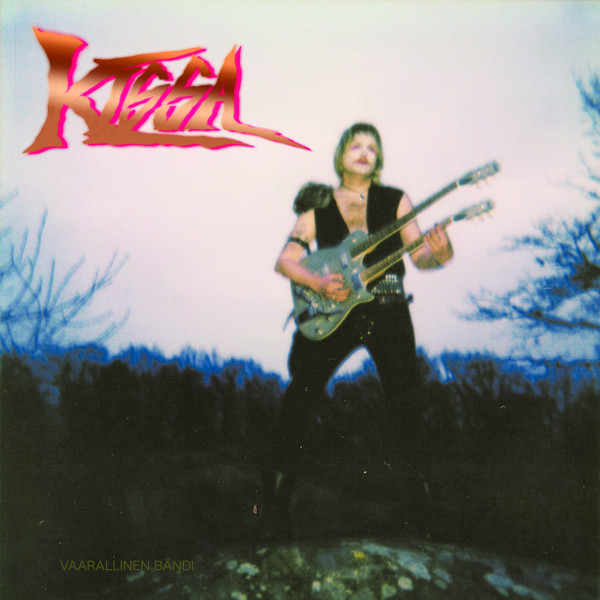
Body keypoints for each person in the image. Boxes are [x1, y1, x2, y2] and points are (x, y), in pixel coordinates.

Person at [262, 122, 454, 539]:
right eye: (356, 145)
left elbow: (420, 255)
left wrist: (441, 253)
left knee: (407, 403)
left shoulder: (396, 199)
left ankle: (421, 512)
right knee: (300, 396)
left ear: (379, 158)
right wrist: (317, 283)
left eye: (372, 146)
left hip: (388, 305)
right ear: (341, 155)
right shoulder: (317, 206)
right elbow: (286, 260)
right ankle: (274, 509)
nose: (365, 152)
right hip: (333, 309)